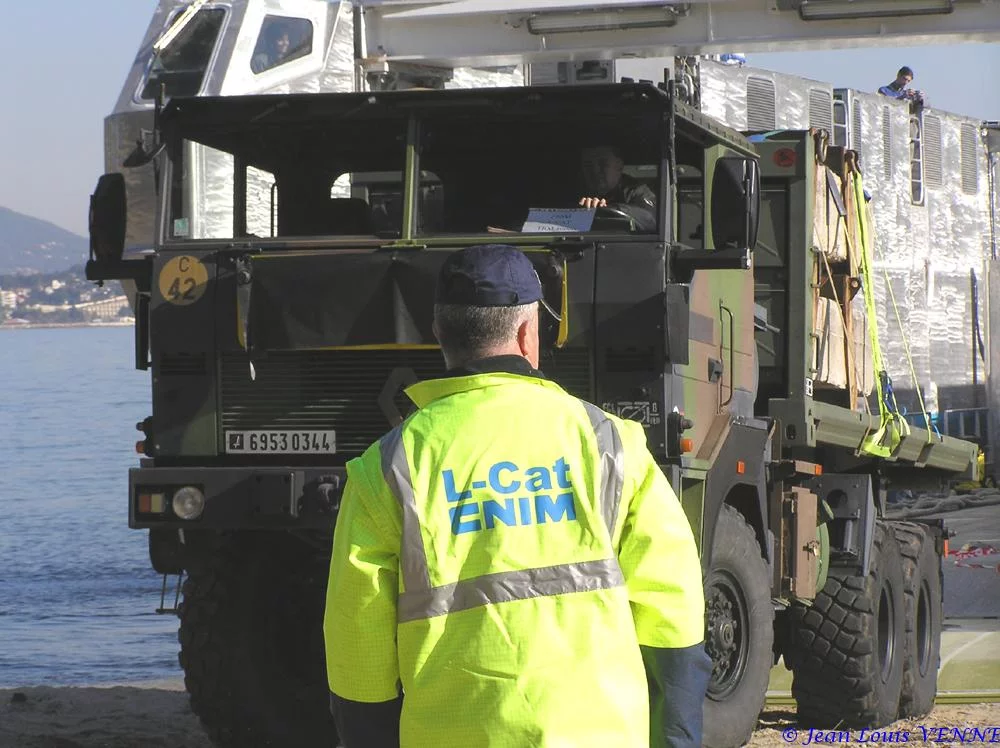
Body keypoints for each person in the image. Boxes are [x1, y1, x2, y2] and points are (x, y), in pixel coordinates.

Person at [324, 243, 710, 748]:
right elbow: (673, 612)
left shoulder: (386, 468)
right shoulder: (611, 445)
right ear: (529, 333)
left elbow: (357, 648)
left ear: (440, 333)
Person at [578, 144, 657, 211]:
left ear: (619, 166)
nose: (595, 171)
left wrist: (607, 209)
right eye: (588, 165)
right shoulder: (576, 193)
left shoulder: (636, 192)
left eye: (603, 164)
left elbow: (648, 216)